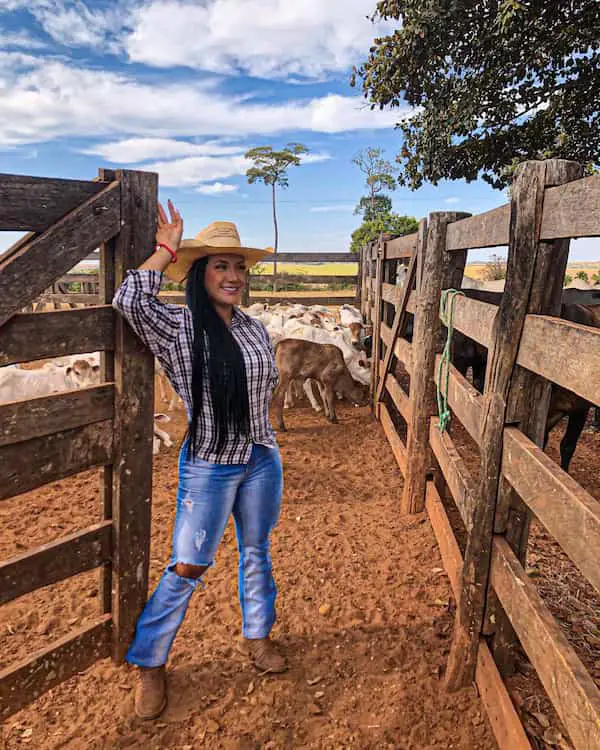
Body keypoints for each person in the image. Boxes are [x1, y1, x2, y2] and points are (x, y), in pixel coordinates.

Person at [112, 201, 285, 721]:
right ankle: (150, 662)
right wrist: (167, 249)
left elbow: (267, 387)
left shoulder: (254, 328)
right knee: (188, 565)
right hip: (210, 463)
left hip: (260, 457)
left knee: (257, 550)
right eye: (220, 265)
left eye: (239, 267)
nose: (233, 277)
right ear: (199, 273)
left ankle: (257, 637)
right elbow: (129, 298)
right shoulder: (179, 327)